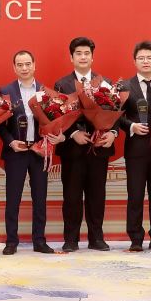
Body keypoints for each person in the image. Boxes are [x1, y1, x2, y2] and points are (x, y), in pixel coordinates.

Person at [52, 37, 117, 252]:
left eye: (86, 53)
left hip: (99, 147)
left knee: (97, 195)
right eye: (78, 53)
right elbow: (55, 115)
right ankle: (71, 239)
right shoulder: (62, 84)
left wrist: (112, 133)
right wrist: (73, 133)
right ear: (71, 57)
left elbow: (116, 113)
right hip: (73, 150)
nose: (83, 57)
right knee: (71, 196)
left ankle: (96, 238)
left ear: (92, 57)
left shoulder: (105, 83)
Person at [0, 50, 56, 254]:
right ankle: (11, 241)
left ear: (34, 65)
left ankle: (39, 241)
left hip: (39, 151)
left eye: (28, 64)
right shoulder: (5, 92)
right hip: (16, 151)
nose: (24, 68)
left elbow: (54, 121)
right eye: (20, 65)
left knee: (40, 198)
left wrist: (49, 140)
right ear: (14, 67)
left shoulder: (45, 92)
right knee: (13, 198)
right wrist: (10, 142)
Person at [119, 40, 151, 252]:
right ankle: (135, 238)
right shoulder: (125, 86)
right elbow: (116, 116)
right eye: (141, 58)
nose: (145, 61)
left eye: (150, 57)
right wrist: (131, 126)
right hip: (136, 149)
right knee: (135, 195)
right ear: (134, 62)